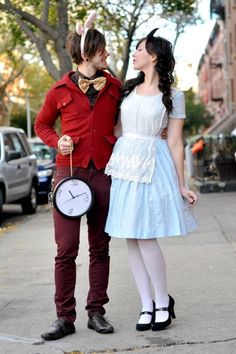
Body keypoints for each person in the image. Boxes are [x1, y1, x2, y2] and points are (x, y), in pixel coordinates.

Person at [34, 11, 122, 340]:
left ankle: (96, 312)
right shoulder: (58, 90)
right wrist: (58, 141)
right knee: (66, 248)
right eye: (102, 50)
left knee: (100, 246)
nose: (108, 54)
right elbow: (41, 125)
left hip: (103, 173)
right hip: (68, 174)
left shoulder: (114, 86)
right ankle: (63, 318)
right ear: (88, 54)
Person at [105, 28, 198, 332]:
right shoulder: (126, 90)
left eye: (140, 49)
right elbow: (117, 129)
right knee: (130, 235)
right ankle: (146, 304)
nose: (134, 54)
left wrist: (182, 185)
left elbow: (174, 142)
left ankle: (162, 301)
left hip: (153, 165)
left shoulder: (174, 96)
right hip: (125, 163)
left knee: (145, 234)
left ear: (154, 56)